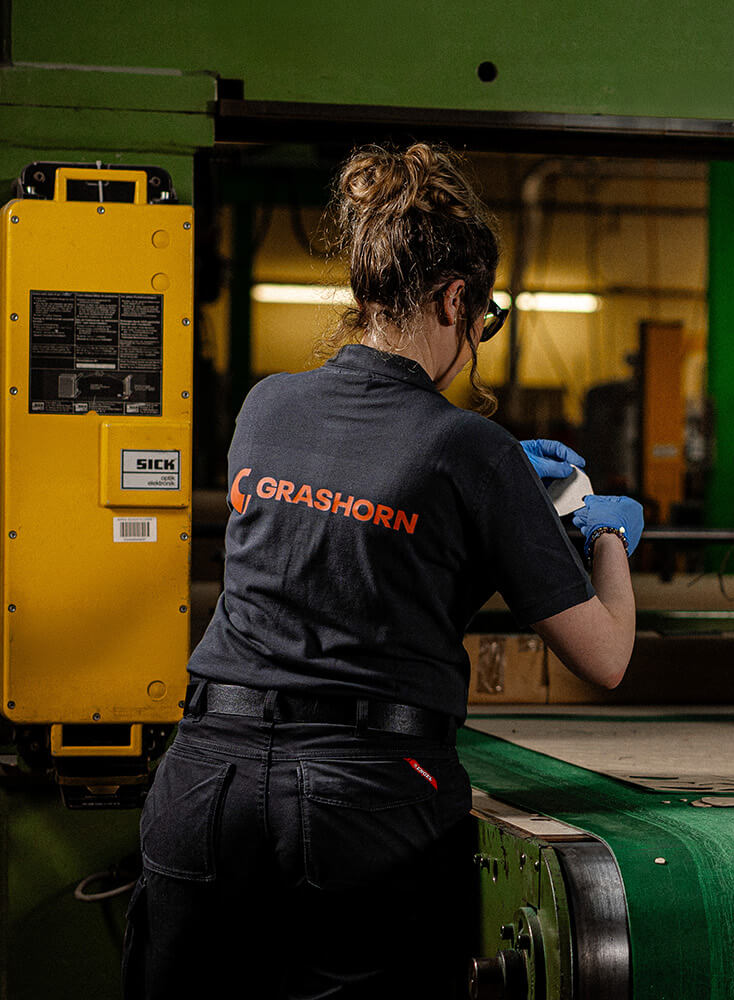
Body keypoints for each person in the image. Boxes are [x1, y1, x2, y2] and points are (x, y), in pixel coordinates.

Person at [122, 142, 642, 999]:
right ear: (453, 299)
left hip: (204, 781)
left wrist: (489, 483)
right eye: (482, 320)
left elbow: (349, 512)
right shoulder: (473, 452)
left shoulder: (265, 407)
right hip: (362, 805)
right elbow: (606, 655)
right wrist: (608, 536)